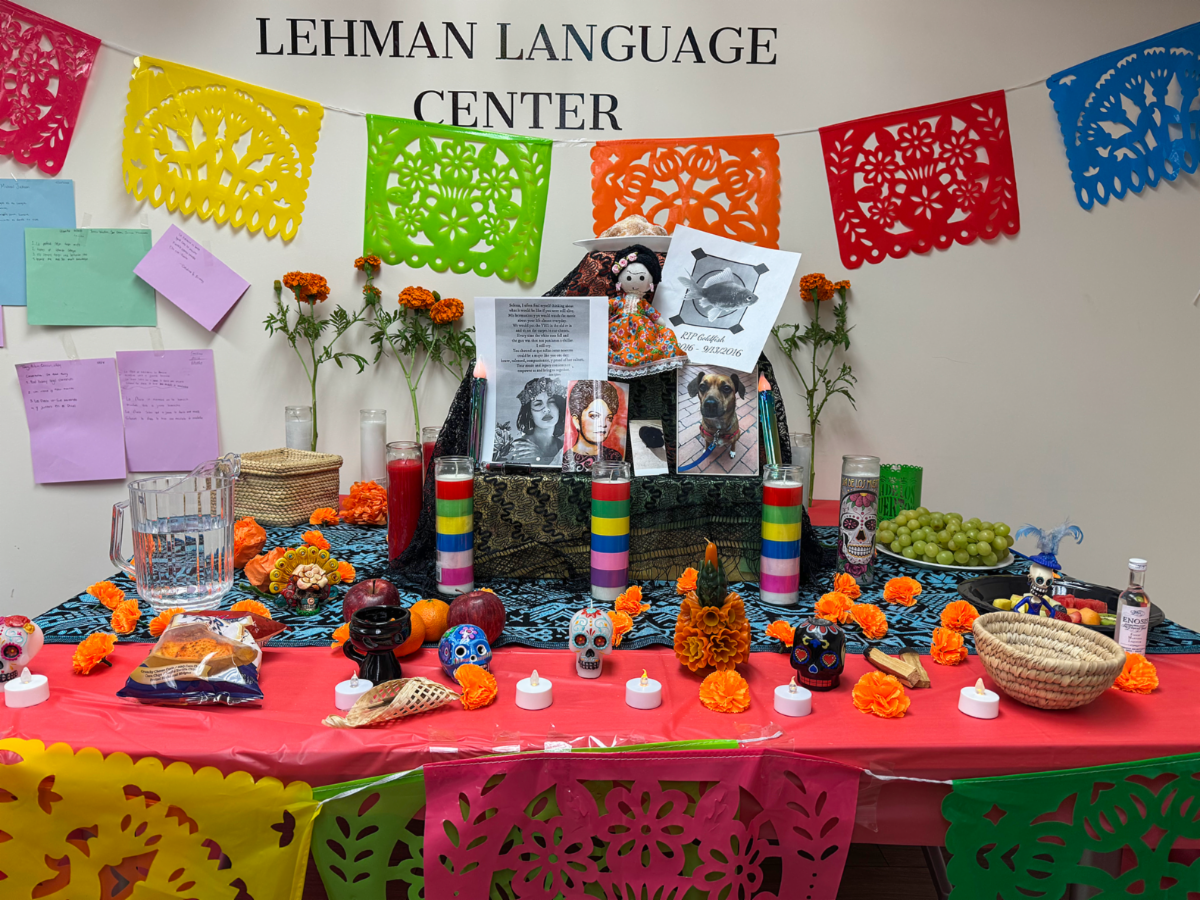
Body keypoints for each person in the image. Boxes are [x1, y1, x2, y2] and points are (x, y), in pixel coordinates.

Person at [607, 244, 688, 377]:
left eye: (641, 278)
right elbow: (606, 307)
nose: (633, 283)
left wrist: (659, 321)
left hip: (642, 330)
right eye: (628, 278)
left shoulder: (643, 304)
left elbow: (655, 317)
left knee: (652, 341)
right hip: (618, 329)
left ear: (650, 283)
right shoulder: (618, 301)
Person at [563, 380, 624, 473]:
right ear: (576, 421)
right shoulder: (565, 460)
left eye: (609, 418)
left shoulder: (614, 457)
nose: (603, 424)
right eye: (594, 416)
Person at [503, 377, 566, 466]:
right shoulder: (519, 448)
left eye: (551, 402)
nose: (546, 409)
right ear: (530, 414)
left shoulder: (565, 446)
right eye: (538, 404)